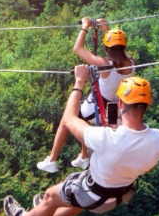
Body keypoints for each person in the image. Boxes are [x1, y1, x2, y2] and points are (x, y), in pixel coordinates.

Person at [3, 64, 159, 216]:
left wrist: (79, 82)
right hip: (122, 194)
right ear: (147, 105)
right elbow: (147, 166)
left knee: (51, 196)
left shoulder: (106, 138)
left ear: (119, 102)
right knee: (75, 200)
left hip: (95, 194)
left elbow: (68, 119)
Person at [37, 17, 135, 173]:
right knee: (83, 119)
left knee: (67, 119)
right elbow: (118, 47)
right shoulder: (131, 62)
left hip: (99, 105)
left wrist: (85, 27)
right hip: (115, 108)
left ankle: (52, 160)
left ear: (106, 48)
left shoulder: (104, 64)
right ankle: (84, 157)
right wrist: (106, 29)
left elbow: (77, 48)